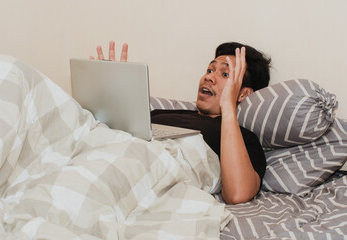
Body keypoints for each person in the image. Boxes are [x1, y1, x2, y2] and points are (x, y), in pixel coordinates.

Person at [91, 41, 271, 204]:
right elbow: (116, 135)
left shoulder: (243, 138)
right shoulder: (160, 113)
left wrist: (229, 107)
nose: (209, 77)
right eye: (210, 70)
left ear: (243, 94)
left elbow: (237, 194)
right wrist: (113, 93)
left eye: (225, 74)